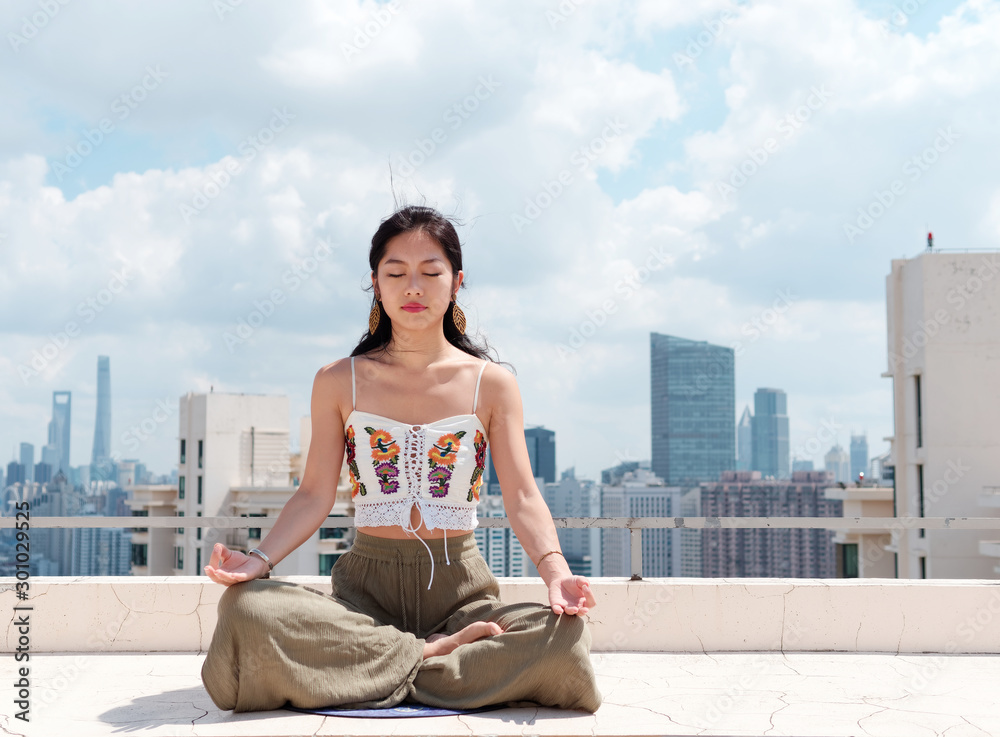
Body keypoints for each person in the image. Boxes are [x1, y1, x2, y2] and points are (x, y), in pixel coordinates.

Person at [200, 205, 602, 714]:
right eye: (396, 273)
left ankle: (382, 667)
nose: (413, 287)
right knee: (244, 611)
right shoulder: (336, 380)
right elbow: (314, 494)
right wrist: (256, 563)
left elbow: (522, 494)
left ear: (456, 282)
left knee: (564, 639)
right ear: (375, 283)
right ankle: (435, 659)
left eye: (430, 273)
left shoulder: (492, 383)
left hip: (463, 595)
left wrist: (556, 573)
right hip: (362, 598)